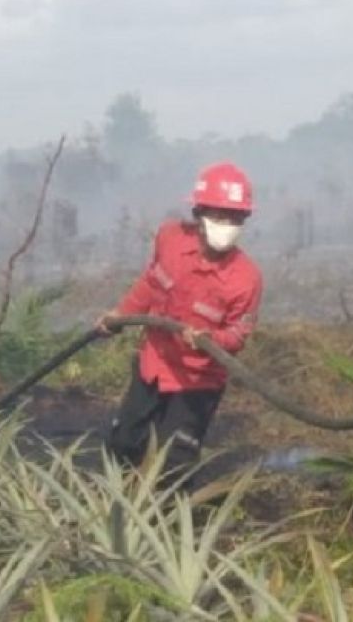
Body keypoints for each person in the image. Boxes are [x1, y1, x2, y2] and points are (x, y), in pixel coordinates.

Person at [96, 162, 264, 491]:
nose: (227, 225)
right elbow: (150, 283)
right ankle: (114, 509)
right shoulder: (170, 239)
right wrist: (119, 316)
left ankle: (169, 528)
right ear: (199, 212)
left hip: (197, 381)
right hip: (154, 364)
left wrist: (210, 339)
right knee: (124, 443)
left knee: (175, 464)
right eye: (219, 215)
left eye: (235, 218)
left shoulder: (246, 279)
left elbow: (237, 334)